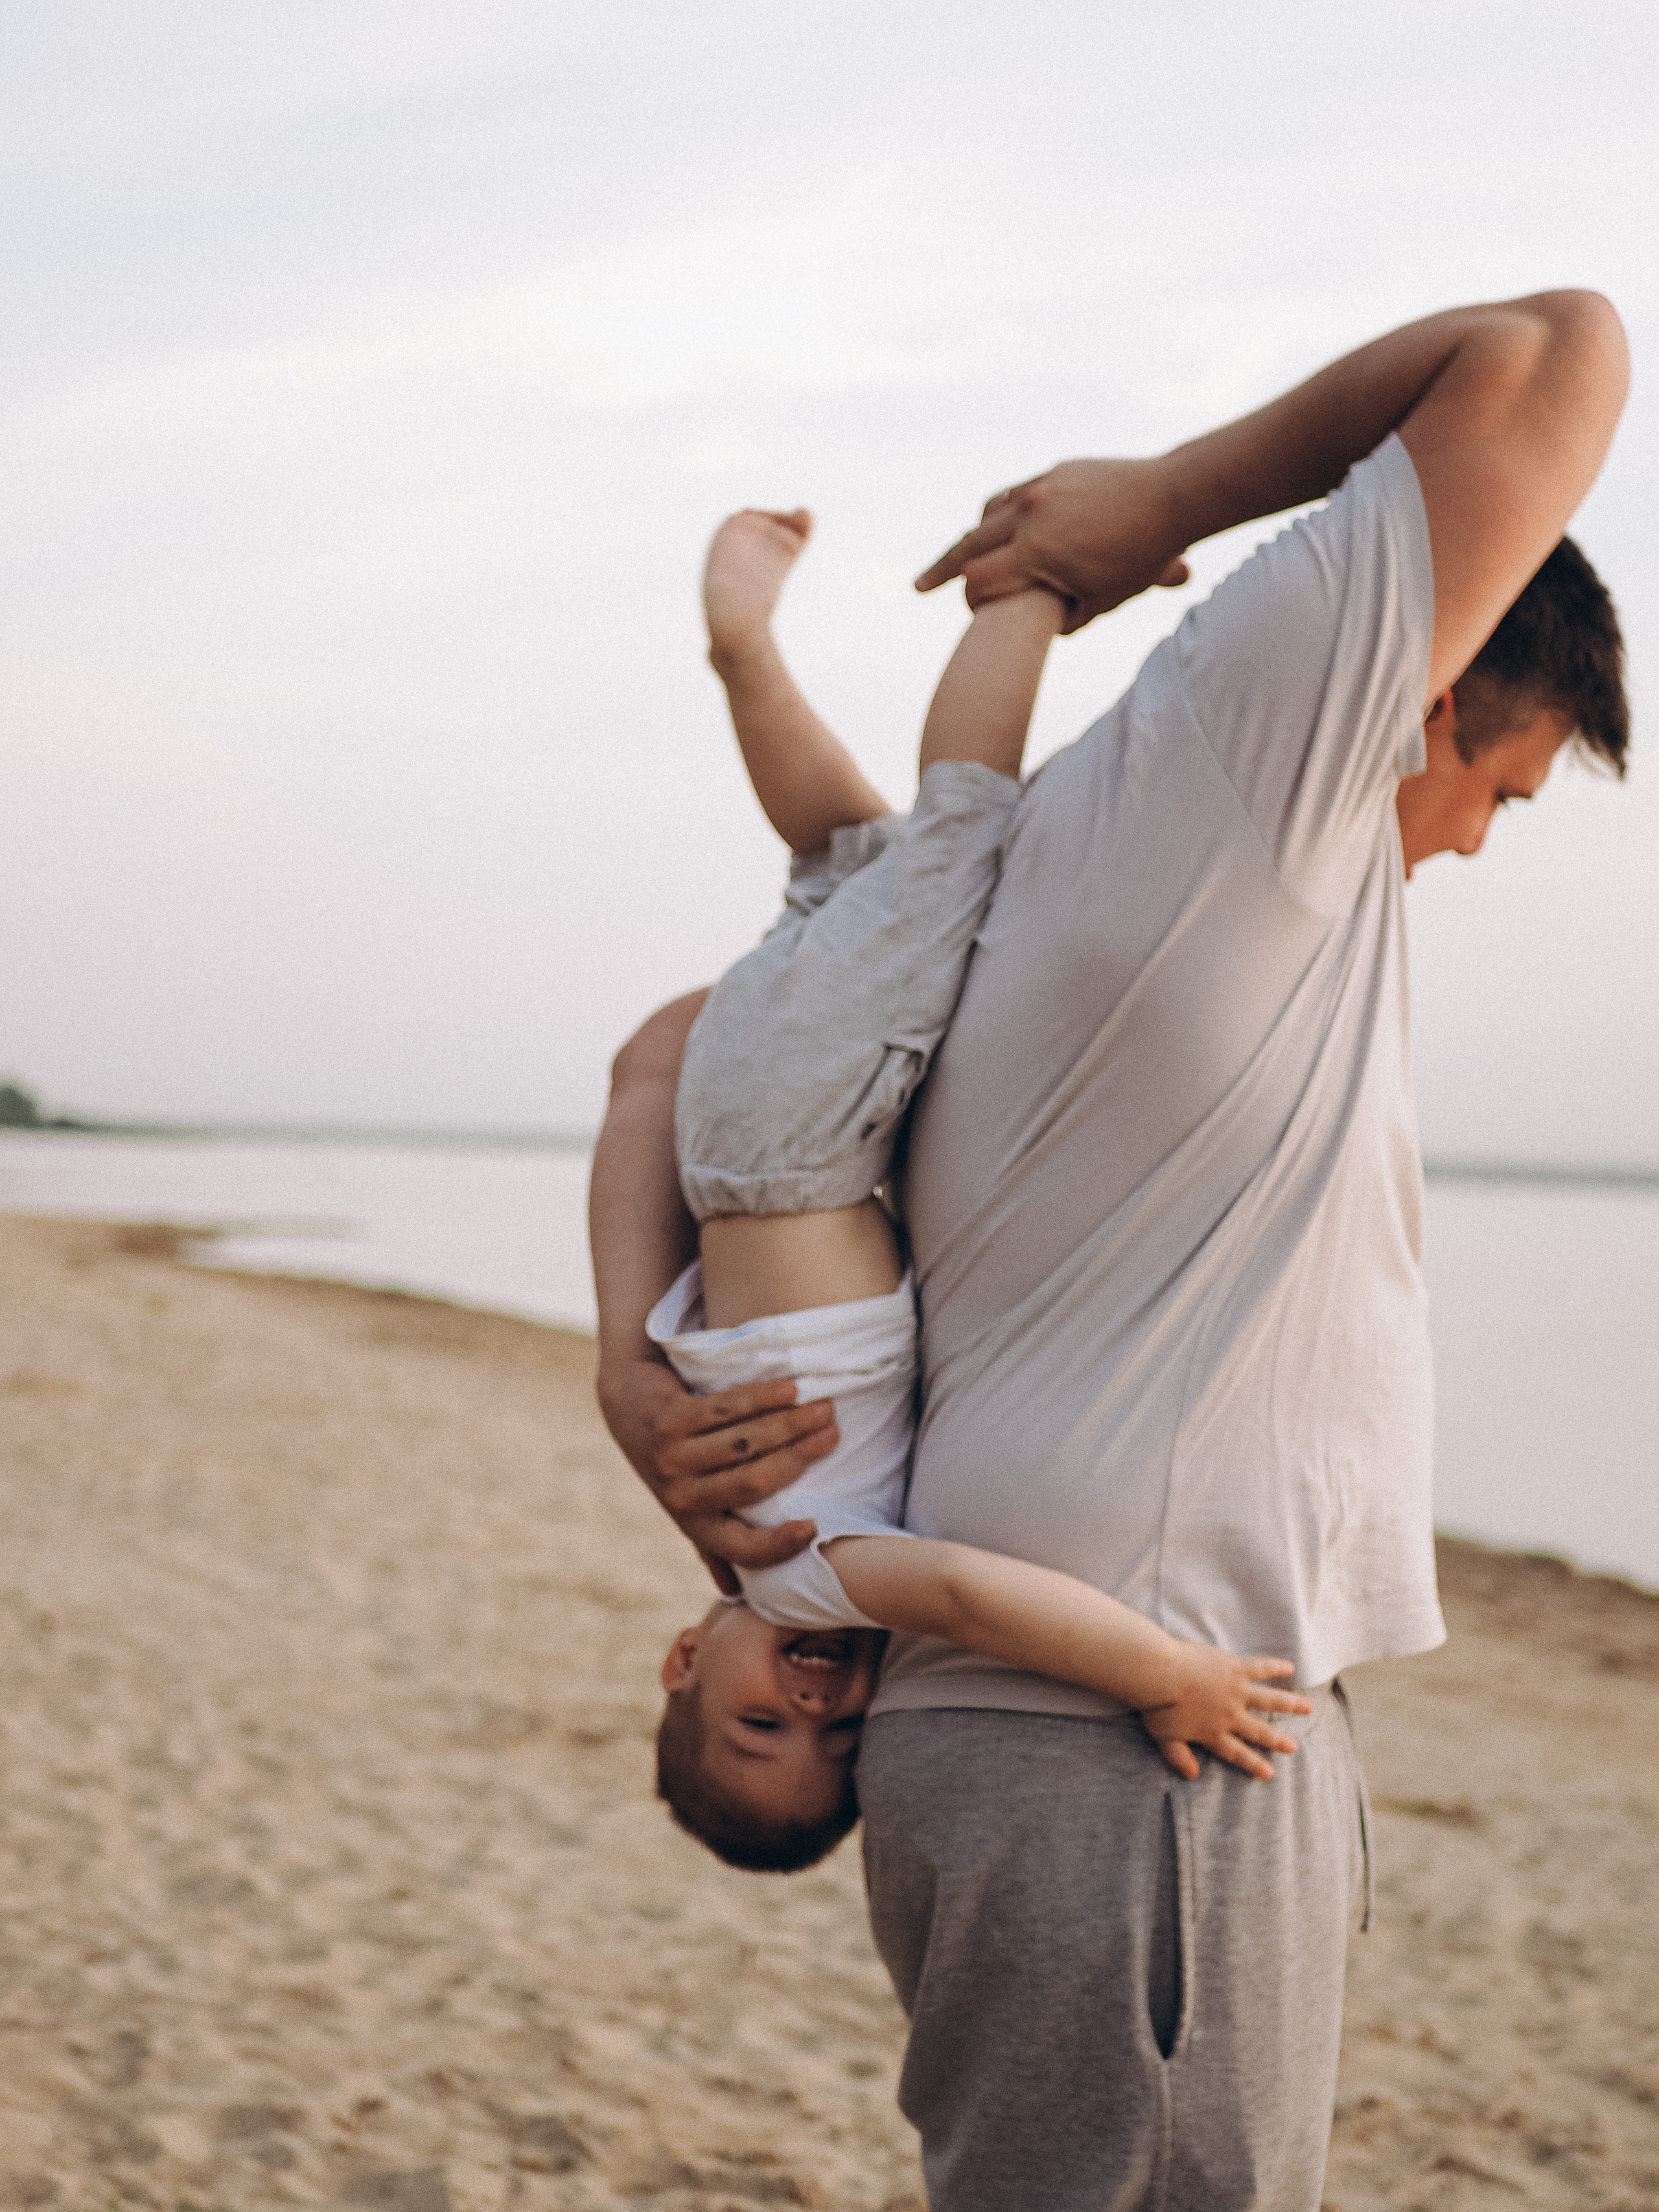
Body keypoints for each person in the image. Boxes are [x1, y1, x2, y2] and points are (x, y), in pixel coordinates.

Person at [590, 293, 1630, 2211]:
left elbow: (678, 1048)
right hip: (1119, 1753)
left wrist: (624, 1356)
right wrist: (1171, 493)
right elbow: (1560, 349)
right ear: (1429, 670)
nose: (1480, 842)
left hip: (1063, 1741)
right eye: (1505, 781)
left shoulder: (1044, 865)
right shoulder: (1265, 753)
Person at [652, 507, 1312, 1874]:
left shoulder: (793, 1559)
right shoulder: (767, 1547)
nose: (819, 1707)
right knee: (849, 858)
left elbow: (964, 1590)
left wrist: (1155, 1673)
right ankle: (746, 654)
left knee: (960, 832)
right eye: (834, 1749)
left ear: (684, 1662)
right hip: (753, 1130)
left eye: (758, 1726)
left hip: (797, 1141)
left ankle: (1030, 586)